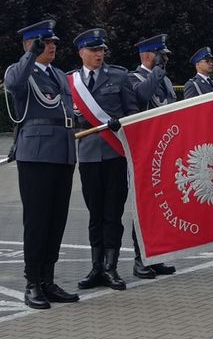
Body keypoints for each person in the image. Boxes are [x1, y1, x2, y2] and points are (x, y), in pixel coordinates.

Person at [4, 20, 79, 309]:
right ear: (31, 45)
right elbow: (13, 85)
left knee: (56, 221)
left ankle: (48, 279)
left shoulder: (59, 75)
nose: (52, 47)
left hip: (62, 153)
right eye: (45, 42)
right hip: (35, 154)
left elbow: (66, 109)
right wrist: (29, 56)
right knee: (37, 221)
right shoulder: (20, 70)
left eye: (54, 43)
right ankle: (32, 282)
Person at [72, 28, 139, 291]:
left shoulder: (119, 76)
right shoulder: (72, 81)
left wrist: (120, 123)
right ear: (82, 53)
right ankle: (96, 267)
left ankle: (111, 268)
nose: (99, 54)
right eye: (93, 50)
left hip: (114, 153)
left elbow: (132, 111)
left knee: (113, 212)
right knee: (95, 213)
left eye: (101, 50)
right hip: (88, 155)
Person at [128, 34, 177, 279]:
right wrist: (157, 70)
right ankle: (140, 259)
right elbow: (141, 96)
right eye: (160, 55)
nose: (164, 59)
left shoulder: (164, 80)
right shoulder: (132, 77)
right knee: (145, 206)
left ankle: (157, 255)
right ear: (146, 55)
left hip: (165, 151)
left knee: (162, 206)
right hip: (145, 153)